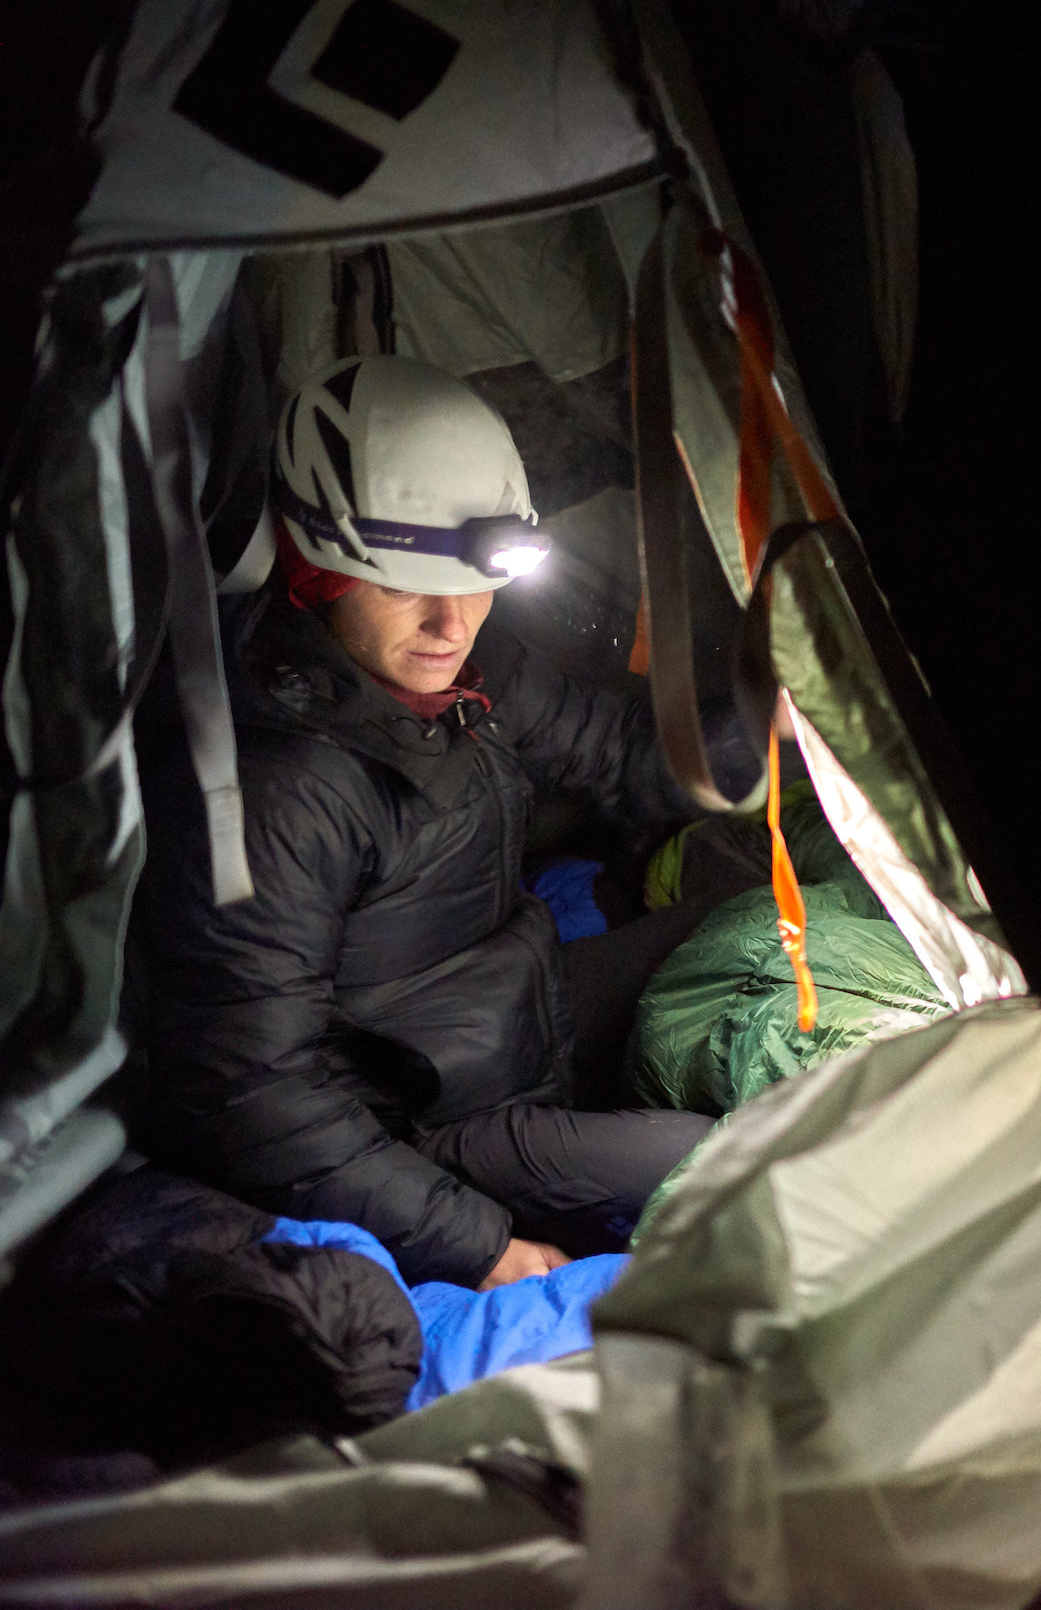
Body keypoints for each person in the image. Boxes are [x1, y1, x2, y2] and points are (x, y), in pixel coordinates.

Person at [138, 356, 756, 1289]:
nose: (449, 621)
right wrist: (474, 1243)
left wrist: (788, 713)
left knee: (744, 933)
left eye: (478, 580)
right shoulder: (278, 788)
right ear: (314, 571)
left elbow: (627, 755)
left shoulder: (469, 665)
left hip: (511, 1012)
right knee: (722, 1161)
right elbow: (254, 1090)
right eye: (400, 584)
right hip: (422, 1126)